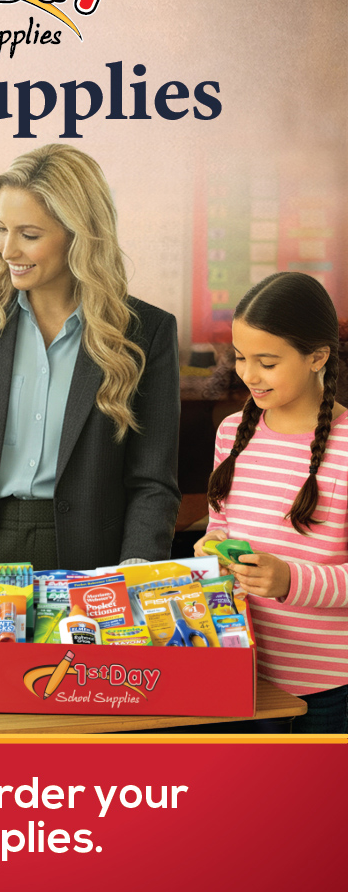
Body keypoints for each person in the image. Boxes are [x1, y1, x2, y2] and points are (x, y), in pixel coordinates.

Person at [0, 144, 181, 602]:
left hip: (88, 562)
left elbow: (152, 481)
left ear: (79, 235)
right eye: (1, 228)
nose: (6, 249)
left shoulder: (145, 332)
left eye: (28, 234)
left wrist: (137, 568)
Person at [194, 272, 347, 733]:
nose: (249, 375)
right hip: (240, 670)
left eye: (267, 362)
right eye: (241, 357)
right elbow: (220, 525)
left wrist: (289, 580)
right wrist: (211, 549)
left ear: (317, 357)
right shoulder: (231, 433)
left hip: (326, 688)